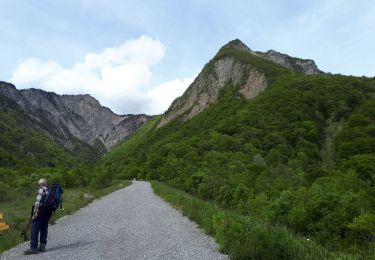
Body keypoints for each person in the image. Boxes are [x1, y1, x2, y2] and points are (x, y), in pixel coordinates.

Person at [24, 178, 52, 255]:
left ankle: (33, 248)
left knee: (34, 228)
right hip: (47, 212)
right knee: (44, 228)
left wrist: (35, 213)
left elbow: (38, 202)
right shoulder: (49, 190)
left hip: (40, 212)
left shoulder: (41, 189)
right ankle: (42, 246)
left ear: (40, 184)